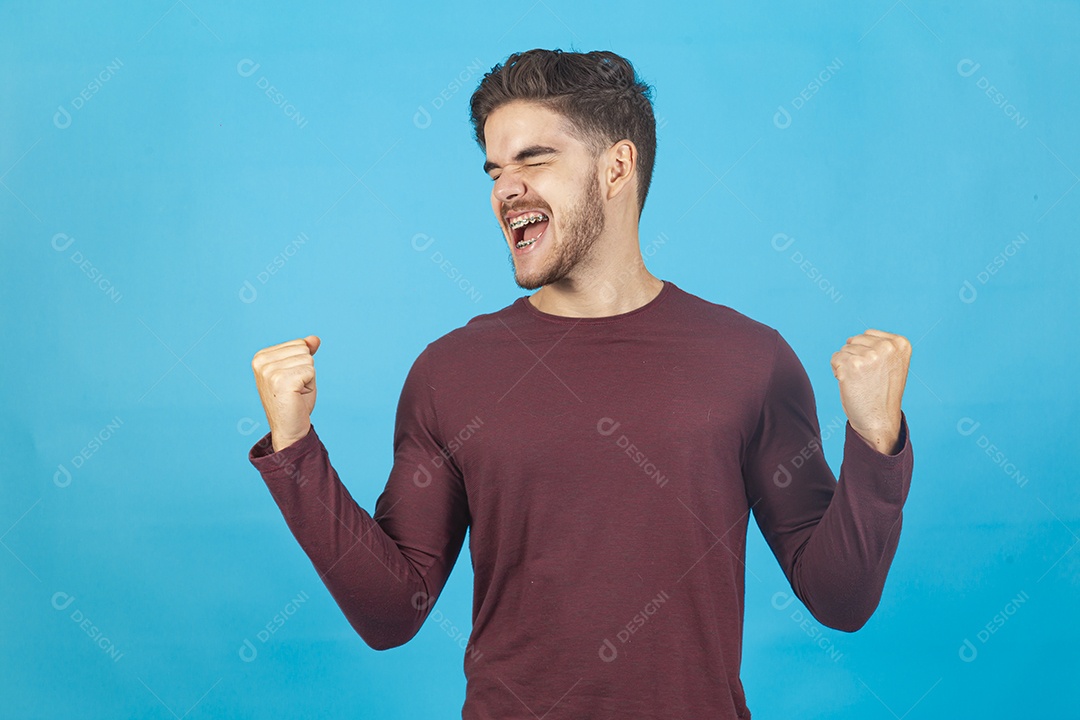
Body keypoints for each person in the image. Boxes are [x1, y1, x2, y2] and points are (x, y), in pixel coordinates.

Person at [248, 48, 914, 719]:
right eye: (495, 170)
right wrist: (295, 448)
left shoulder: (750, 360)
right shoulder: (450, 372)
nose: (505, 190)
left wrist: (875, 437)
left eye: (534, 160)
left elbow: (840, 599)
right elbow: (392, 611)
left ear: (616, 167)